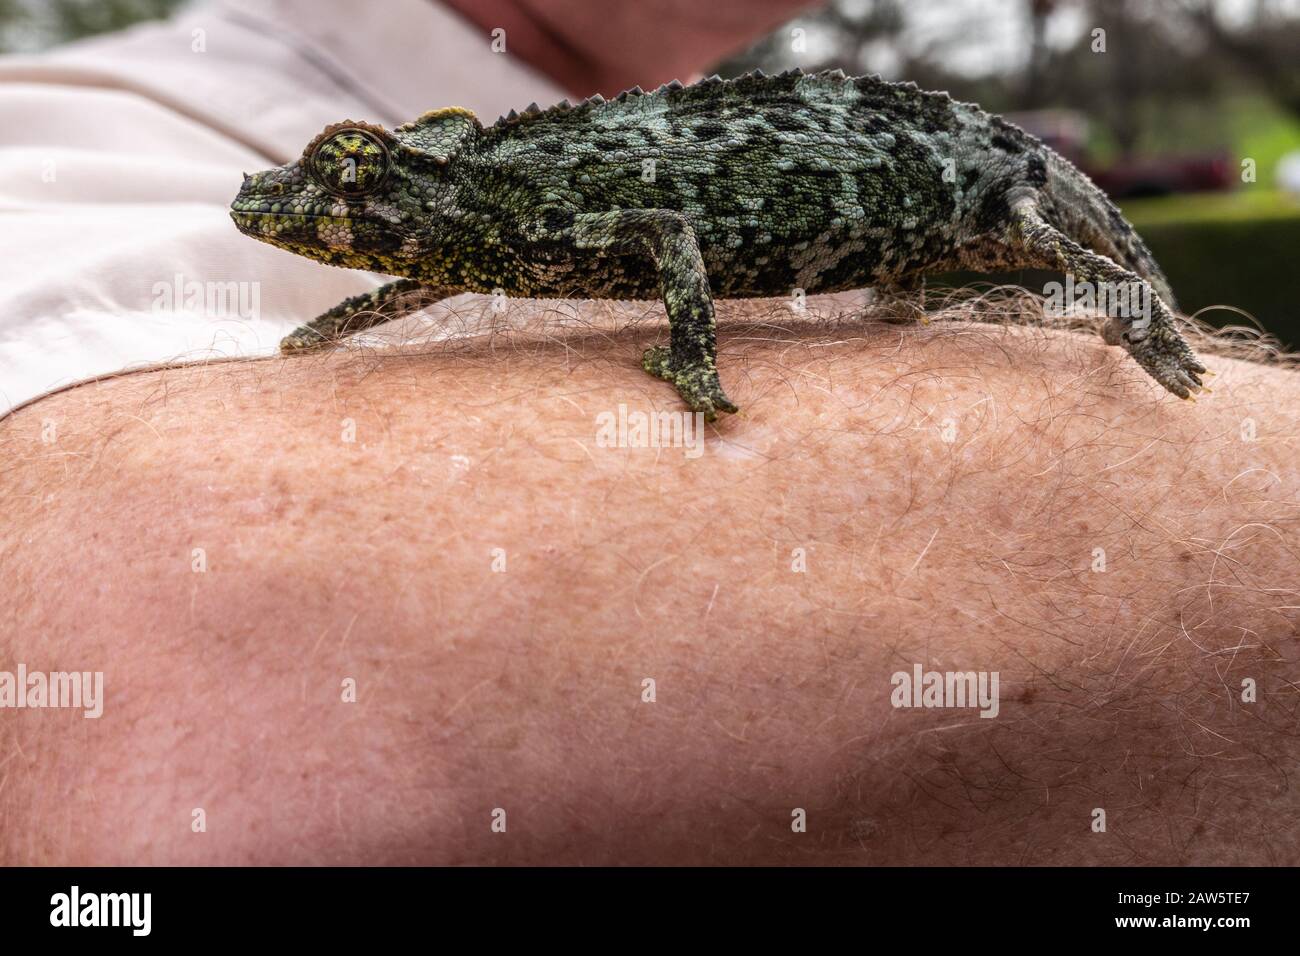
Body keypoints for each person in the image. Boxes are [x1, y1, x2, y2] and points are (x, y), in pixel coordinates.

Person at [1, 0, 1295, 865]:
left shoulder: (538, 165)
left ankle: (1139, 326)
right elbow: (137, 675)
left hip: (959, 181)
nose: (327, 215)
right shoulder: (80, 115)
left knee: (1037, 236)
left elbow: (648, 234)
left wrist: (690, 345)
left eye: (354, 196)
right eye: (343, 194)